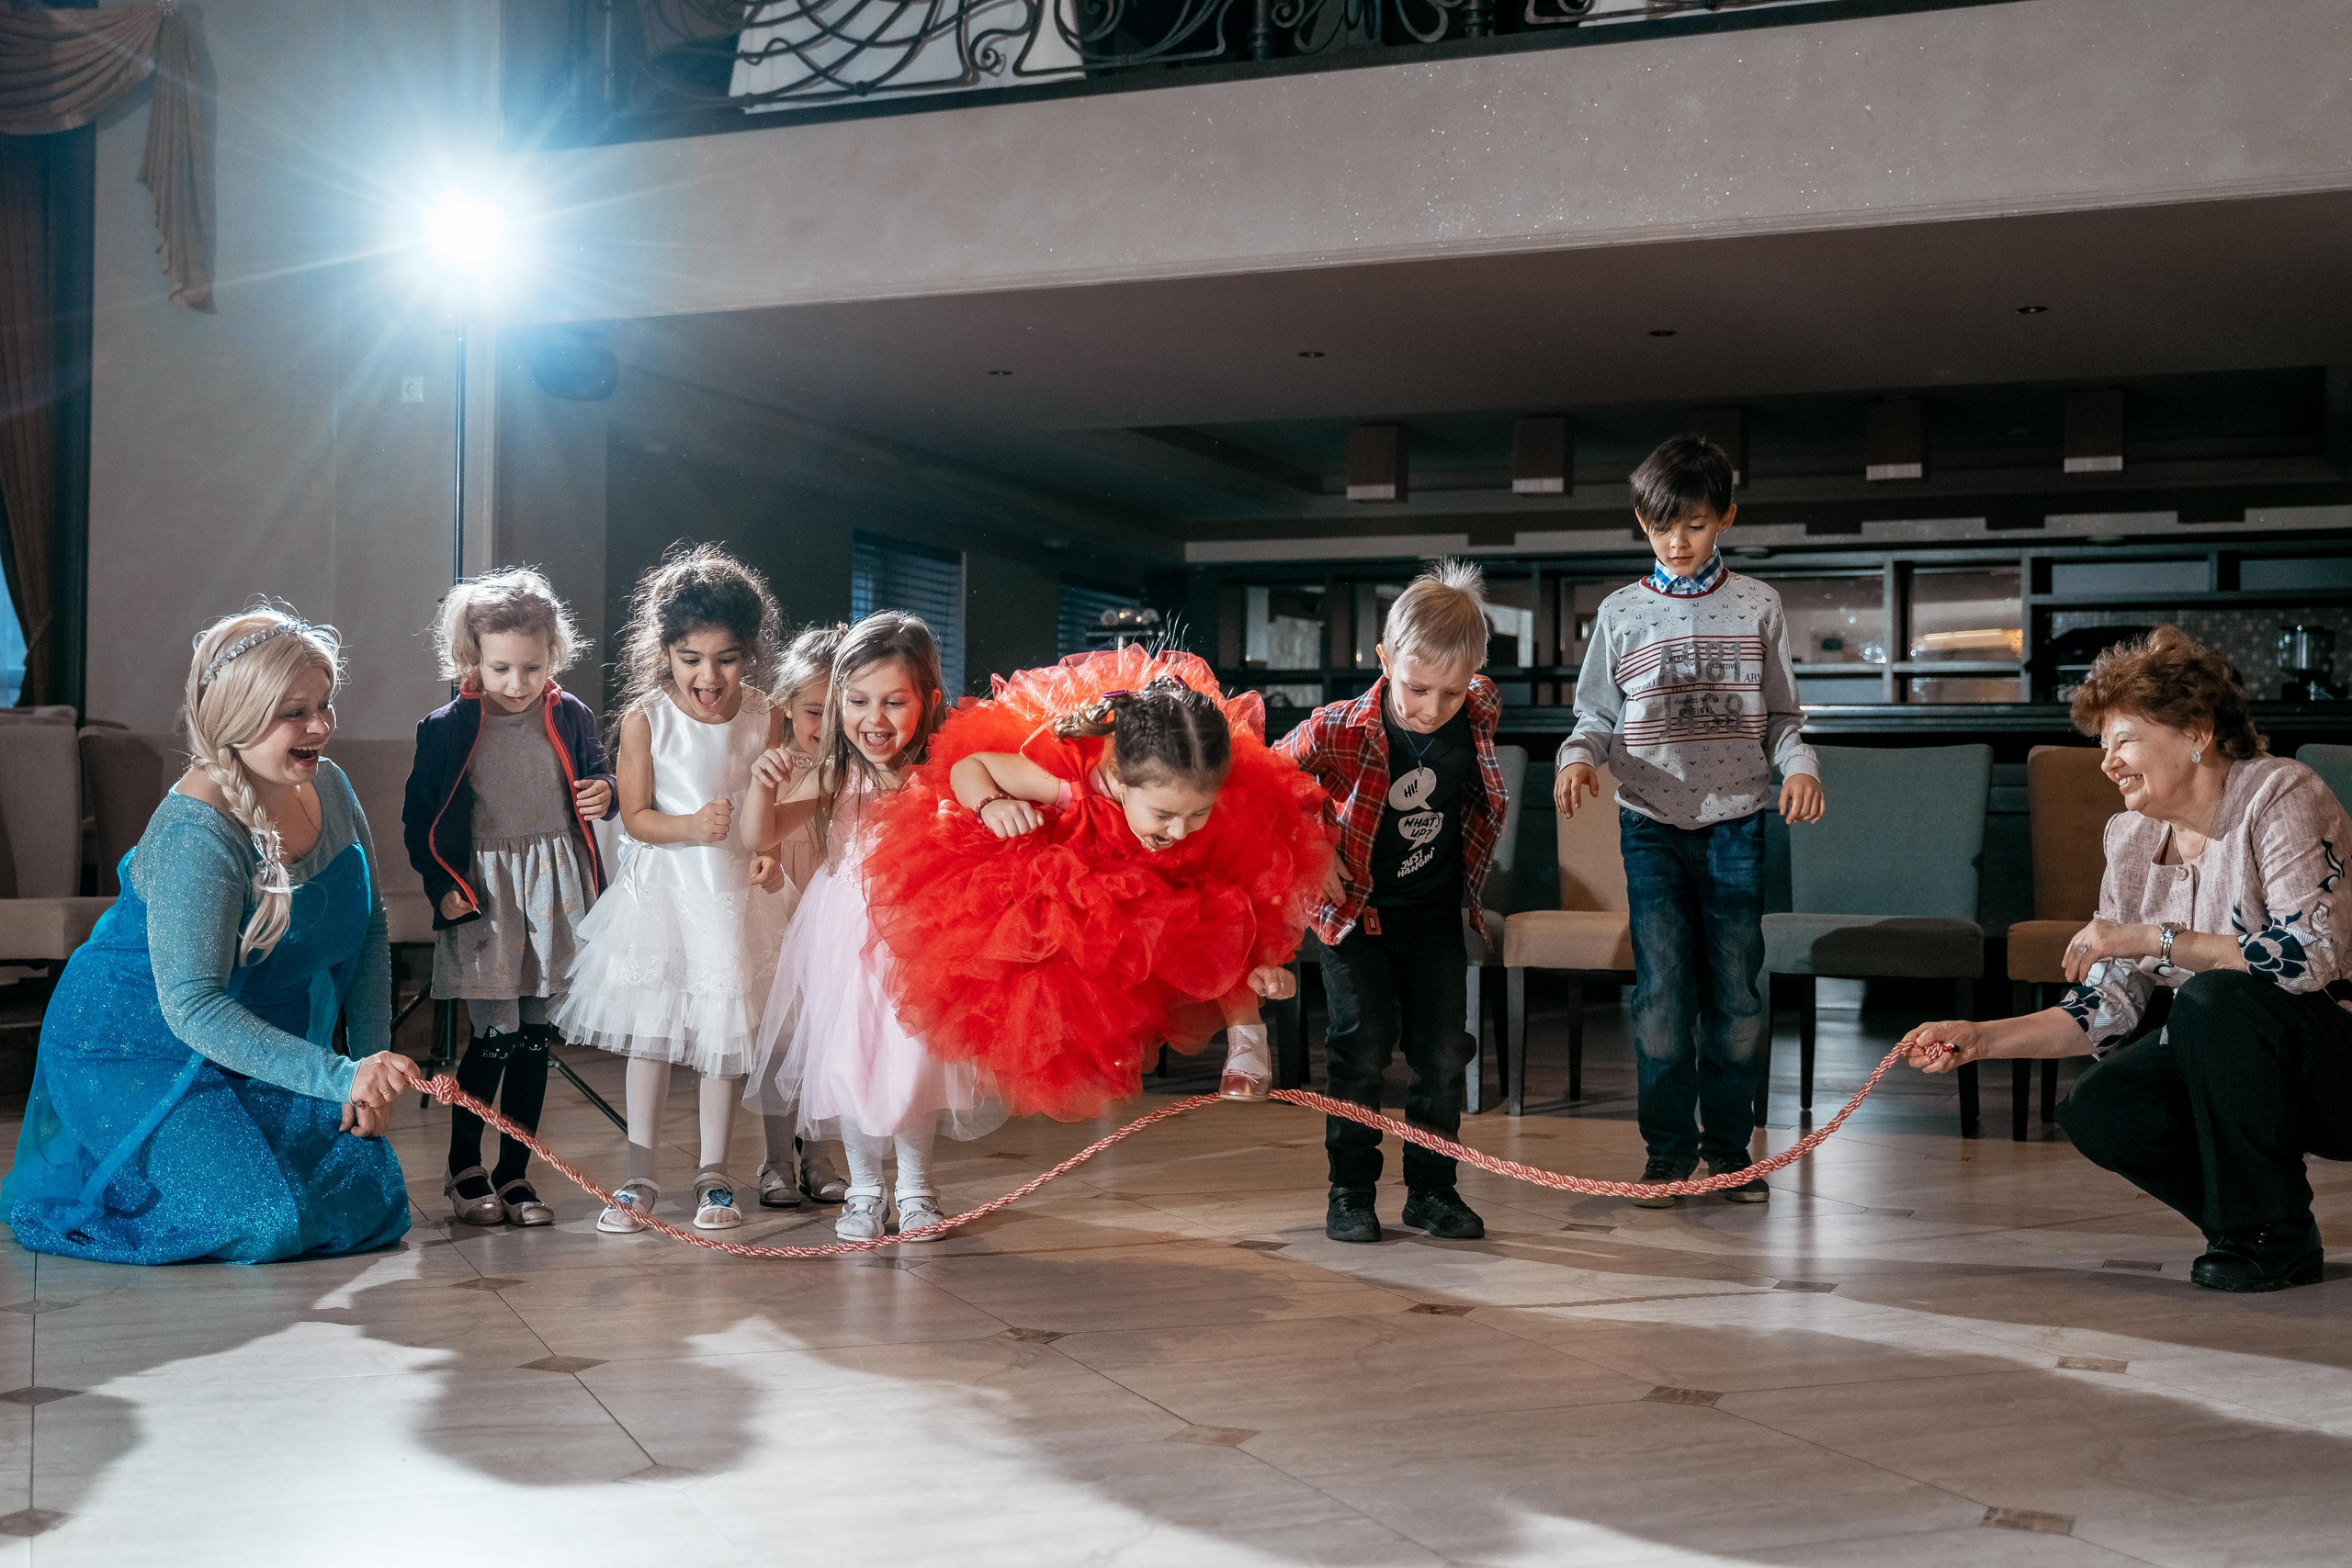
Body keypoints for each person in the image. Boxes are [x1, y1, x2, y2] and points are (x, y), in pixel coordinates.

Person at [1903, 626, 2352, 1292]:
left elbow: (2306, 958)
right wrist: (1980, 1038)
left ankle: (2267, 1231)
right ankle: (2263, 1227)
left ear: (2196, 731)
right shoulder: (2132, 837)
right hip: (2235, 1063)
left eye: (2124, 741)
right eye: (2103, 746)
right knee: (2104, 1107)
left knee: (2212, 998)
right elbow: (2106, 1007)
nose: (2108, 762)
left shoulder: (2279, 793)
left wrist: (2150, 938)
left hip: (2334, 1067)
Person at [3, 606, 417, 1263]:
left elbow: (368, 931)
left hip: (248, 1039)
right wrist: (336, 1074)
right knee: (267, 1218)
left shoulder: (329, 785)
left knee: (375, 1192)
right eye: (295, 712)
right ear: (238, 720)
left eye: (325, 704)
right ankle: (126, 1164)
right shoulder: (197, 833)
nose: (321, 727)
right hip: (138, 1048)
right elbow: (192, 1005)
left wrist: (371, 1071)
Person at [854, 643, 1329, 1123]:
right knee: (1059, 934)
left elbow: (1246, 887)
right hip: (1082, 863)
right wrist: (991, 804)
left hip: (1169, 875)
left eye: (1196, 812)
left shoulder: (1205, 817)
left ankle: (1247, 1031)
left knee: (1212, 903)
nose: (1181, 828)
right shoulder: (1066, 780)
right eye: (1165, 814)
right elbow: (968, 768)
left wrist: (1264, 961)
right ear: (1120, 781)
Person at [1555, 434, 1825, 1208]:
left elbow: (1782, 717)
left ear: (1726, 519)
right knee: (1662, 996)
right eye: (1663, 524)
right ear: (1642, 521)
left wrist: (1800, 765)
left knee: (1736, 997)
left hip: (1737, 822)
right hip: (1649, 824)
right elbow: (1596, 712)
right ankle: (1668, 1155)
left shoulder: (1758, 605)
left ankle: (1731, 1154)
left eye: (1697, 524)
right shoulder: (1620, 612)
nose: (1679, 540)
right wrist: (1578, 756)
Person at [553, 546, 791, 1235]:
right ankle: (638, 1174)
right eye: (690, 658)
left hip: (730, 899)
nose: (708, 676)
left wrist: (768, 853)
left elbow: (763, 812)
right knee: (651, 1039)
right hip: (663, 895)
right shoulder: (645, 720)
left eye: (726, 658)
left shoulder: (764, 716)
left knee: (724, 1036)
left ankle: (715, 1174)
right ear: (666, 652)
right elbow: (636, 816)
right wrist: (689, 822)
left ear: (749, 654)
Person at [746, 612, 1003, 1243]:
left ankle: (916, 1187)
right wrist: (760, 787)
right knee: (855, 1059)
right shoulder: (838, 775)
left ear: (930, 700)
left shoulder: (944, 773)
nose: (875, 718)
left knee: (913, 1061)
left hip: (923, 934)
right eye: (858, 701)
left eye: (895, 701)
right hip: (847, 934)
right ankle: (864, 1188)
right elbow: (760, 835)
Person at [1279, 561, 1510, 1245]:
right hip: (1356, 918)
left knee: (1442, 1051)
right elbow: (1262, 781)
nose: (1433, 706)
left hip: (1436, 913)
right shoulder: (1339, 729)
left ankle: (1431, 1191)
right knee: (1363, 1047)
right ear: (1385, 659)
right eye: (1416, 687)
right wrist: (1313, 850)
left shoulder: (1480, 706)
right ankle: (1350, 1188)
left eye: (1452, 689)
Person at [402, 568, 616, 1229]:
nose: (518, 683)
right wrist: (444, 889)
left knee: (534, 1036)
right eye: (501, 668)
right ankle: (465, 1164)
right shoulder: (447, 725)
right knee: (493, 1033)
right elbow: (420, 818)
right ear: (472, 656)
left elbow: (597, 771)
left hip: (554, 892)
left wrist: (603, 790)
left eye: (532, 666)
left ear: (553, 653)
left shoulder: (570, 713)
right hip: (487, 896)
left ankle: (515, 1170)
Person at [742, 622, 851, 1210]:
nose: (825, 728)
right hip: (783, 913)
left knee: (828, 1036)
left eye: (838, 713)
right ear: (787, 707)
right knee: (784, 1038)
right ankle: (777, 1159)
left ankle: (821, 1156)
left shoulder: (857, 771)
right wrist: (762, 862)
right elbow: (758, 836)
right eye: (813, 712)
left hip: (836, 921)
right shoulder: (774, 766)